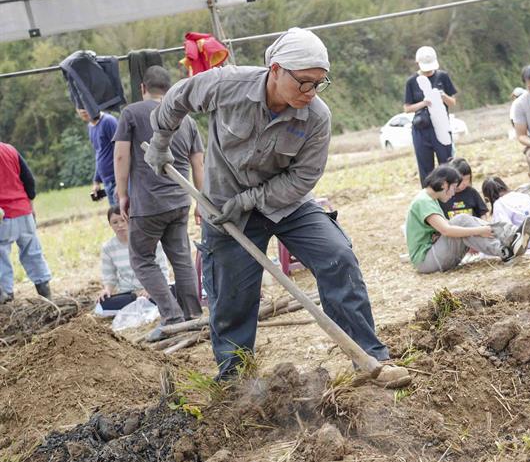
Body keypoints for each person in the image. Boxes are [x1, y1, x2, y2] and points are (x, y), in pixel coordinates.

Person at [145, 28, 394, 381]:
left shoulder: (317, 118)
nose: (310, 93)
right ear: (275, 70)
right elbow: (179, 97)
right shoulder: (227, 85)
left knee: (337, 256)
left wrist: (251, 200)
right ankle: (235, 380)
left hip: (286, 203)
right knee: (232, 297)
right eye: (304, 83)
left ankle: (369, 357)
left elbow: (303, 178)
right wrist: (161, 139)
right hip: (225, 207)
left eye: (319, 84)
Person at [113, 66, 204, 341]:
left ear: (143, 88)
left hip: (148, 203)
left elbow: (120, 156)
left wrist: (121, 195)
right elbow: (198, 161)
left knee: (141, 258)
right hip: (180, 201)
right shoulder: (185, 118)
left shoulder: (131, 113)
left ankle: (172, 317)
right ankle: (194, 316)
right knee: (181, 257)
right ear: (169, 87)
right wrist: (201, 199)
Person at [406, 165, 530, 274]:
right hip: (427, 260)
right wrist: (478, 231)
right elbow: (446, 230)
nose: (453, 193)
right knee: (461, 221)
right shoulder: (423, 201)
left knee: (462, 221)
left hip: (433, 255)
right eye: (453, 188)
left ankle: (510, 238)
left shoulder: (429, 199)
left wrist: (478, 232)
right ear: (445, 184)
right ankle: (508, 243)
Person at [0, 142, 52, 303]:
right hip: (24, 211)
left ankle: (7, 299)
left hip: (3, 216)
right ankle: (46, 296)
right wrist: (30, 204)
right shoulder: (9, 149)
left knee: (1, 257)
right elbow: (29, 180)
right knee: (33, 253)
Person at [96, 205, 170, 315]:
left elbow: (163, 269)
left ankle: (139, 306)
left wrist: (150, 289)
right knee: (101, 306)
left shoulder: (149, 240)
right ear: (110, 225)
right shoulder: (108, 248)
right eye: (115, 222)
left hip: (152, 290)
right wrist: (107, 290)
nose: (120, 225)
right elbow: (109, 277)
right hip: (128, 294)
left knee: (174, 292)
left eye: (123, 220)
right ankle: (141, 305)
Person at [404, 46, 458, 186]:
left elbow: (452, 102)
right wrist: (424, 103)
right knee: (426, 170)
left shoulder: (442, 76)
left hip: (441, 127)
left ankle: (450, 197)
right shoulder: (411, 81)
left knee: (447, 166)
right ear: (417, 63)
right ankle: (430, 202)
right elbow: (407, 108)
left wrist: (442, 95)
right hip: (422, 129)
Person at [481, 176, 530, 248]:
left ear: (487, 198)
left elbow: (504, 228)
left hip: (529, 241)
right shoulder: (521, 195)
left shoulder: (500, 203)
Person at [76, 109, 119, 206]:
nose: (83, 110)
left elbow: (122, 150)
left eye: (85, 105)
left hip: (118, 180)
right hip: (107, 182)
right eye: (79, 107)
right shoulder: (91, 127)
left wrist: (121, 183)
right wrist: (96, 181)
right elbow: (100, 154)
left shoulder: (108, 121)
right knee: (116, 217)